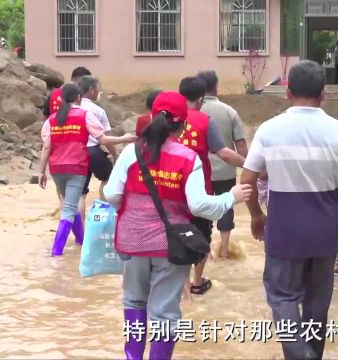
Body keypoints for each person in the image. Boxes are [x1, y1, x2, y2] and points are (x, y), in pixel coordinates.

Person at [104, 92, 252, 360]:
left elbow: (112, 195)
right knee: (164, 312)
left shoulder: (131, 152)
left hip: (130, 241)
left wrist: (134, 214)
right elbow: (198, 206)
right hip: (169, 247)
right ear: (183, 126)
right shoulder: (187, 158)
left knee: (134, 302)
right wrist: (231, 197)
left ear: (151, 118)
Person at [240, 60, 338, 359]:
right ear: (323, 93)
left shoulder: (269, 130)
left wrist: (257, 215)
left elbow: (247, 180)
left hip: (284, 233)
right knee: (317, 305)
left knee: (282, 298)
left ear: (287, 92)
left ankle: (300, 355)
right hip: (325, 234)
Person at [38, 83, 136, 256]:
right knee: (69, 209)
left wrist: (41, 172)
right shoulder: (85, 115)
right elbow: (103, 140)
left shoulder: (52, 119)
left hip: (56, 168)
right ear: (78, 98)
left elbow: (46, 146)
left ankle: (81, 241)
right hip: (76, 167)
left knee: (71, 204)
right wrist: (124, 138)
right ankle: (56, 251)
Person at [178, 76, 245, 295]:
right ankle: (196, 282)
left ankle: (182, 284)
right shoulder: (204, 121)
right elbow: (224, 153)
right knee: (200, 235)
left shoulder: (167, 118)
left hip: (169, 186)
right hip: (199, 188)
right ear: (200, 100)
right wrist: (250, 165)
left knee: (177, 234)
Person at [197, 70, 249, 259]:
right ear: (216, 86)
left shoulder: (194, 113)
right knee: (227, 207)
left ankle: (205, 252)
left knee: (203, 210)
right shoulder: (229, 112)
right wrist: (248, 166)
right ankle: (225, 250)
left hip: (200, 172)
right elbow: (240, 143)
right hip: (226, 171)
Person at [42, 66, 93, 222]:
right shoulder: (80, 101)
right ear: (79, 80)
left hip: (56, 151)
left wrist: (49, 138)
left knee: (64, 196)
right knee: (78, 196)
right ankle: (72, 235)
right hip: (77, 153)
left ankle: (71, 227)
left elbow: (45, 117)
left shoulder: (53, 95)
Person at [78, 75, 118, 205]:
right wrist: (115, 155)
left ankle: (79, 225)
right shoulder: (98, 110)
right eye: (97, 89)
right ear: (90, 90)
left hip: (77, 153)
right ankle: (104, 214)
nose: (98, 92)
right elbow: (106, 138)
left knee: (81, 193)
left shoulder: (70, 110)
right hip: (93, 152)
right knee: (107, 179)